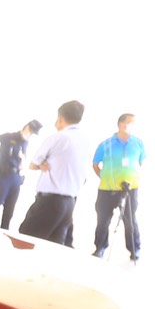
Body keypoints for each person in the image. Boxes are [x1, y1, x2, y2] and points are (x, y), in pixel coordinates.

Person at [18, 100, 92, 246]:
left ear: (60, 118)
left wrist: (41, 164)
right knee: (53, 247)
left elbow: (33, 164)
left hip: (50, 202)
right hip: (69, 203)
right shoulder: (85, 141)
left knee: (25, 241)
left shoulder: (57, 138)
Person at [91, 113, 147, 259]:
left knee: (130, 220)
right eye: (130, 122)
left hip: (130, 189)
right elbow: (95, 164)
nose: (132, 125)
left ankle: (134, 249)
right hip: (107, 189)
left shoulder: (138, 143)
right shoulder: (106, 144)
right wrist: (104, 177)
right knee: (103, 220)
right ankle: (100, 247)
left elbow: (141, 162)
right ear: (121, 124)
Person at [0, 119, 42, 229]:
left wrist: (23, 165)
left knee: (8, 214)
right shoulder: (9, 136)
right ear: (27, 127)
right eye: (31, 131)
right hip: (2, 176)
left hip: (16, 178)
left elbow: (24, 159)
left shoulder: (25, 142)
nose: (30, 134)